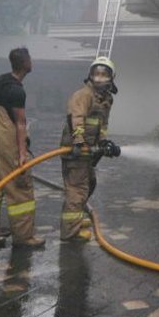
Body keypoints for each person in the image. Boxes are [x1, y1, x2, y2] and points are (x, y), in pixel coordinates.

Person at [0, 47, 44, 249]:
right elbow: (21, 123)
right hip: (7, 143)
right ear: (25, 63)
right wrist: (23, 154)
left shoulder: (1, 80)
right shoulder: (17, 90)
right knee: (20, 189)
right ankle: (24, 238)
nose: (32, 61)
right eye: (30, 59)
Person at [59, 56, 117, 242]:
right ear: (90, 75)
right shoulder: (84, 95)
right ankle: (71, 232)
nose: (99, 77)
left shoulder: (106, 99)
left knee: (89, 184)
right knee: (77, 189)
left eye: (103, 74)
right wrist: (79, 142)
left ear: (111, 77)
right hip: (76, 149)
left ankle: (75, 219)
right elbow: (76, 118)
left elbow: (103, 124)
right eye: (96, 73)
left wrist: (103, 143)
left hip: (87, 150)